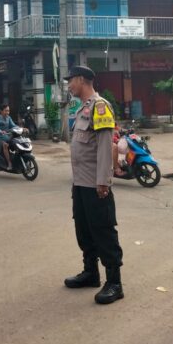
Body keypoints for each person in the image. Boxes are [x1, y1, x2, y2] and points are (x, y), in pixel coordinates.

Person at [63, 65, 124, 305]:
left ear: (81, 80)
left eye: (71, 81)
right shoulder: (82, 110)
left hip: (95, 183)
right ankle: (91, 273)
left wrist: (103, 181)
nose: (68, 85)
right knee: (84, 230)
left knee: (103, 231)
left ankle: (115, 282)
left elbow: (105, 145)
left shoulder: (100, 107)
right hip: (80, 182)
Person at [0, 103, 18, 169]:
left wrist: (22, 128)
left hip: (6, 137)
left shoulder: (8, 118)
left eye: (8, 111)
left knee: (16, 142)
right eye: (6, 111)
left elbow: (14, 126)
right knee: (5, 145)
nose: (7, 112)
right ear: (1, 111)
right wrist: (0, 131)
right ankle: (9, 163)